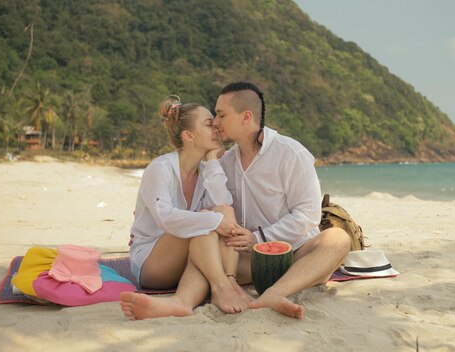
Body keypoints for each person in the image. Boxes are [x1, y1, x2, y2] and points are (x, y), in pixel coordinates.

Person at [214, 82, 350, 319]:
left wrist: (259, 238)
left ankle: (275, 293)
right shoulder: (224, 163)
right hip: (249, 260)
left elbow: (308, 215)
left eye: (221, 114)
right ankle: (293, 283)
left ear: (246, 117)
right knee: (204, 251)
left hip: (297, 254)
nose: (216, 122)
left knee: (338, 240)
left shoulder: (290, 153)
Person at [119, 96, 252, 320]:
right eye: (209, 124)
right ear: (188, 136)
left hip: (191, 257)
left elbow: (224, 206)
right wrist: (214, 220)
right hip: (152, 262)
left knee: (220, 213)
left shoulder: (205, 170)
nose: (217, 128)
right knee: (207, 220)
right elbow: (166, 219)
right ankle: (222, 286)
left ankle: (186, 300)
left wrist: (211, 161)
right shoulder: (160, 168)